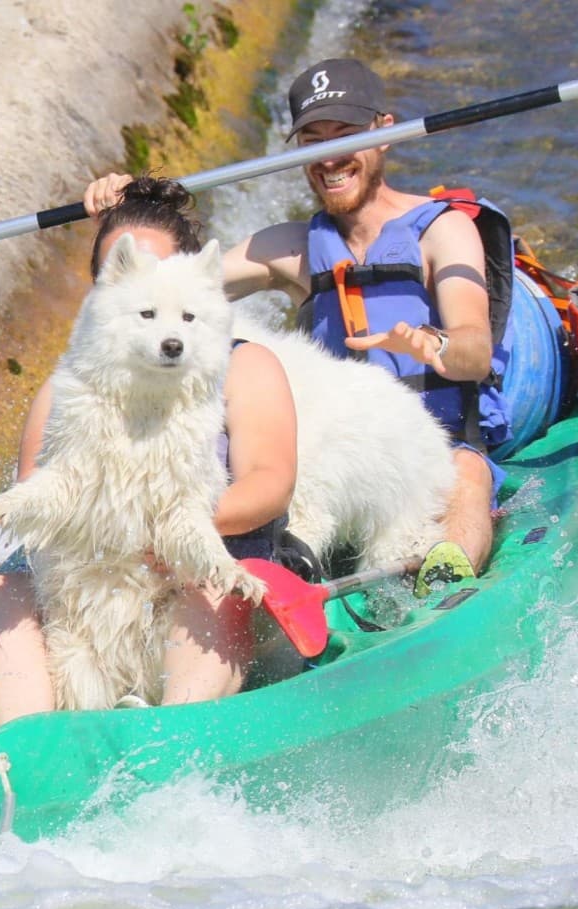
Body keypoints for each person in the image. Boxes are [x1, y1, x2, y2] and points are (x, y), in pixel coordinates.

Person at [85, 58, 500, 595]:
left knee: (468, 478)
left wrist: (431, 342)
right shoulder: (289, 247)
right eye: (313, 140)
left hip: (436, 441)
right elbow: (167, 285)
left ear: (385, 131)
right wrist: (123, 215)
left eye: (344, 135)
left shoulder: (442, 233)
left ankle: (444, 590)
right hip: (330, 440)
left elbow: (477, 350)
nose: (329, 157)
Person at [0, 178, 297, 723]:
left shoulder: (246, 367)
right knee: (0, 587)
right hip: (93, 597)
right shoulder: (66, 386)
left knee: (210, 591)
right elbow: (35, 504)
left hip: (196, 580)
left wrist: (168, 531)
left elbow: (270, 481)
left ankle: (171, 733)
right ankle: (29, 742)